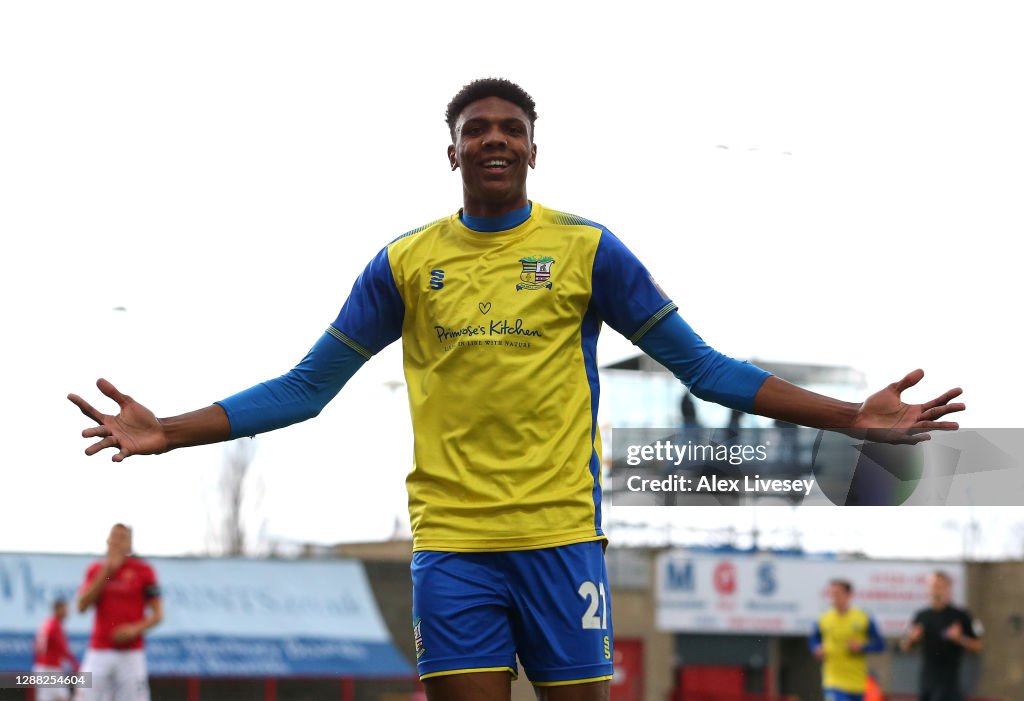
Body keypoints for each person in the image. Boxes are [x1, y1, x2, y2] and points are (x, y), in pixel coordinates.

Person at [69, 78, 964, 701]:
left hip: (561, 539)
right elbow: (308, 388)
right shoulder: (405, 264)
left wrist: (853, 415)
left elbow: (708, 370)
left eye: (509, 128)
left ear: (534, 147)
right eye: (475, 129)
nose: (493, 138)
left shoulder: (589, 250)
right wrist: (172, 430)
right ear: (450, 151)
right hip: (453, 547)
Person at [74, 524, 163, 701]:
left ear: (130, 545)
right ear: (107, 540)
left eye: (123, 538)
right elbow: (82, 606)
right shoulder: (96, 570)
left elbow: (158, 614)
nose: (117, 542)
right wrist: (107, 571)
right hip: (98, 651)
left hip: (131, 653)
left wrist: (134, 629)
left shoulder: (144, 571)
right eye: (114, 536)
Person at [900, 570, 982, 701]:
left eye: (939, 586)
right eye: (932, 586)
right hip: (926, 682)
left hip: (950, 684)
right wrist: (912, 639)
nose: (935, 590)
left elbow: (979, 646)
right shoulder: (921, 616)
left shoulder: (960, 615)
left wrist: (960, 639)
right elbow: (904, 646)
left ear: (948, 588)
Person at [810, 580, 885, 701]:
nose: (833, 598)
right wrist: (816, 648)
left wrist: (862, 647)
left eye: (837, 593)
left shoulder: (863, 617)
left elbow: (881, 645)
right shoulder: (823, 619)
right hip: (832, 680)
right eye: (831, 594)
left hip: (857, 682)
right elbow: (814, 640)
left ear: (849, 595)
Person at [33, 598, 79, 701]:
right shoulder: (53, 626)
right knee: (62, 697)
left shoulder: (50, 623)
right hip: (48, 669)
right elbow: (62, 649)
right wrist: (75, 664)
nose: (67, 611)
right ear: (57, 609)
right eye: (65, 608)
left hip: (46, 667)